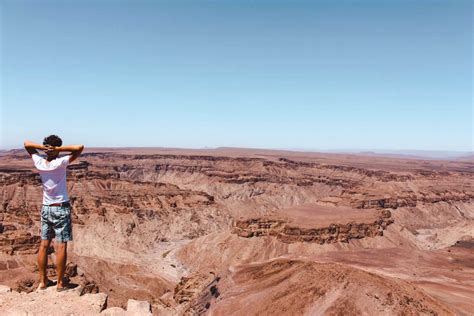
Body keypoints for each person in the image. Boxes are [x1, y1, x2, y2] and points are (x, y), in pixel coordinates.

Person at [24, 135, 84, 292]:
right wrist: (58, 150)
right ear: (56, 149)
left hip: (46, 208)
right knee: (61, 246)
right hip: (61, 208)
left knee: (44, 245)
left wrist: (42, 147)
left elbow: (26, 144)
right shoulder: (60, 162)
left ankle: (43, 282)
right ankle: (59, 283)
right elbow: (79, 147)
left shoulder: (39, 162)